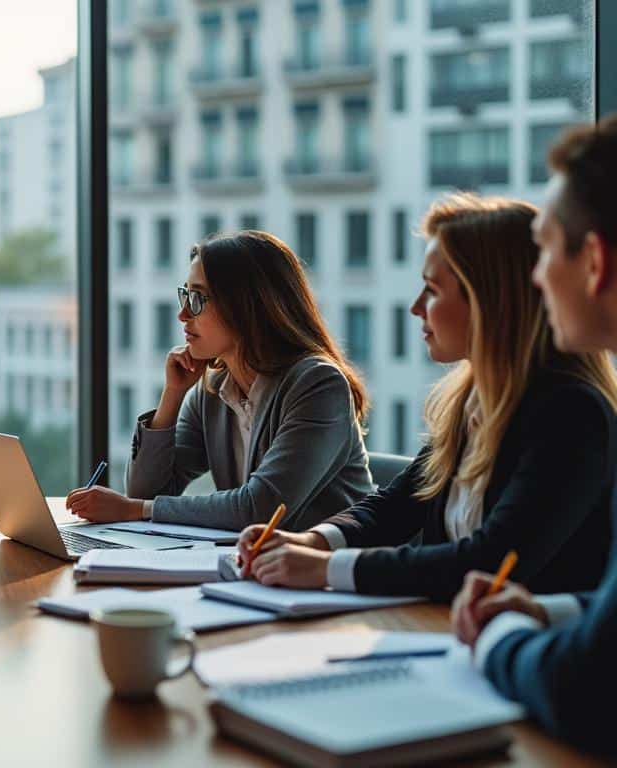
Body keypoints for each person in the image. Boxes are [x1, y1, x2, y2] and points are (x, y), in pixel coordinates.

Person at [237, 194, 617, 602]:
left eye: (433, 290)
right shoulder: (471, 400)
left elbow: (488, 560)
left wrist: (328, 569)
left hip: (527, 652)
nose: (417, 307)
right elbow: (397, 506)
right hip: (447, 630)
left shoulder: (571, 415)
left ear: (489, 303)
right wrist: (311, 541)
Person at [450, 115, 617, 755]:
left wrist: (491, 639)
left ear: (595, 260)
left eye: (545, 249)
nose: (537, 276)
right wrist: (547, 611)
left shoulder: (570, 409)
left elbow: (585, 687)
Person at [66, 230, 373, 531]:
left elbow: (261, 508)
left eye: (197, 298)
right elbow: (145, 491)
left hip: (327, 573)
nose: (183, 314)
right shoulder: (213, 390)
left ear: (246, 305)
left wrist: (138, 510)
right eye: (185, 294)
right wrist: (173, 395)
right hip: (257, 568)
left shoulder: (317, 384)